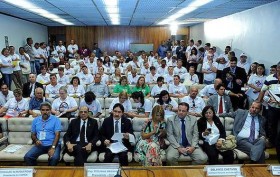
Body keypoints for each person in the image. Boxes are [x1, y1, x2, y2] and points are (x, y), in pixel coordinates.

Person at [257, 62, 280, 148]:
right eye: (279, 68)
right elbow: (263, 91)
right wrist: (259, 102)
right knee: (271, 125)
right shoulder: (269, 78)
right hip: (272, 107)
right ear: (277, 68)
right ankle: (271, 142)